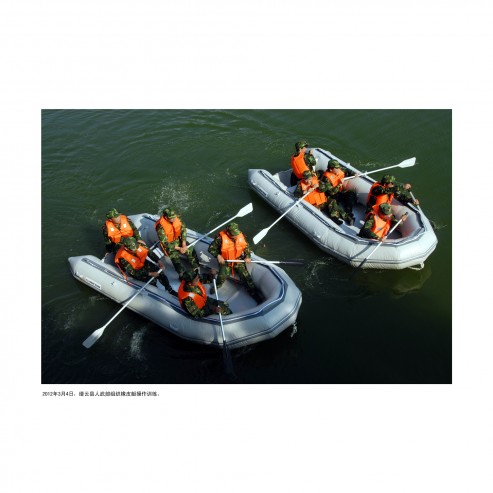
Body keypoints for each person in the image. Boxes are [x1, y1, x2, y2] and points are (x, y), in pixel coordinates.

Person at [207, 222, 264, 303]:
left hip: (238, 259)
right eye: (234, 235)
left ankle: (253, 293)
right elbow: (211, 249)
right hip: (225, 261)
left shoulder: (240, 235)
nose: (236, 236)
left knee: (245, 276)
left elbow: (246, 247)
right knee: (222, 275)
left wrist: (247, 256)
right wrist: (218, 256)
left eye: (237, 234)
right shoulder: (220, 238)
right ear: (228, 233)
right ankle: (217, 285)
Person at [154, 207, 199, 278]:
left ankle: (195, 267)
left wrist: (184, 243)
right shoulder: (160, 227)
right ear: (166, 217)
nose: (174, 219)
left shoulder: (177, 219)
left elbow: (183, 230)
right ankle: (181, 274)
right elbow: (165, 243)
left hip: (178, 239)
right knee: (175, 258)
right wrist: (179, 248)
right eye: (171, 218)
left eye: (174, 217)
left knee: (190, 249)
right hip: (170, 244)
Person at [320, 159, 357, 225]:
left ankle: (348, 210)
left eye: (338, 167)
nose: (338, 169)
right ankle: (346, 217)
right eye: (336, 168)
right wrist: (339, 184)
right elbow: (331, 192)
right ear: (331, 169)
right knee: (334, 203)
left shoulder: (339, 170)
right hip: (330, 196)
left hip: (338, 193)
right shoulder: (326, 179)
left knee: (351, 194)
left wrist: (353, 173)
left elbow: (346, 170)